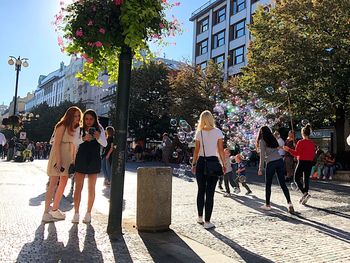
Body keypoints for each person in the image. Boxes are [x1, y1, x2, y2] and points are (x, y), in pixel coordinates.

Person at [42, 106, 82, 222]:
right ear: (69, 116)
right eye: (75, 116)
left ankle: (54, 209)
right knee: (53, 183)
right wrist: (58, 161)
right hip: (58, 156)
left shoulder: (75, 128)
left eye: (79, 116)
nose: (77, 118)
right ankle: (46, 212)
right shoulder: (61, 125)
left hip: (68, 157)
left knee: (64, 182)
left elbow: (75, 145)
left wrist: (74, 160)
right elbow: (57, 144)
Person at [191, 110, 226, 229]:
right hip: (213, 162)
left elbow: (196, 150)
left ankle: (199, 217)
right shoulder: (218, 132)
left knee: (201, 190)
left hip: (201, 162)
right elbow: (220, 150)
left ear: (201, 119)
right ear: (211, 119)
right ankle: (207, 222)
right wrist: (223, 164)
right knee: (210, 193)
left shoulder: (199, 133)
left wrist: (193, 164)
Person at [72, 109, 107, 224]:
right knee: (78, 188)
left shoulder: (100, 129)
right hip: (81, 158)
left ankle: (88, 213)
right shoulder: (79, 128)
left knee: (91, 188)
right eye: (86, 118)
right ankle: (76, 213)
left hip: (94, 159)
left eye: (91, 119)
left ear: (95, 119)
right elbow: (74, 142)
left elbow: (105, 144)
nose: (88, 121)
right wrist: (83, 139)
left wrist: (98, 137)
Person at [257, 126, 294, 213]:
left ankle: (267, 205)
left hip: (271, 163)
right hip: (280, 161)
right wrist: (282, 147)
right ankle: (290, 203)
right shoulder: (272, 138)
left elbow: (262, 155)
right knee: (283, 184)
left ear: (261, 132)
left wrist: (260, 168)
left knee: (268, 185)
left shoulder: (262, 141)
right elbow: (277, 147)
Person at [284, 124, 315, 205]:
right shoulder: (312, 143)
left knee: (296, 179)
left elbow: (296, 153)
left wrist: (288, 149)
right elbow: (313, 154)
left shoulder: (300, 142)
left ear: (302, 133)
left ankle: (305, 193)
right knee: (306, 179)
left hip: (302, 161)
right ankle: (305, 195)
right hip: (309, 162)